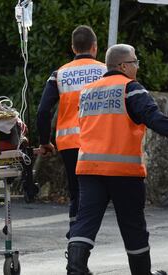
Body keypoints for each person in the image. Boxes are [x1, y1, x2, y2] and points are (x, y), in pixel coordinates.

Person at [66, 43, 167, 275]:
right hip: (123, 171)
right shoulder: (130, 88)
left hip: (89, 168)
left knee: (85, 222)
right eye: (135, 62)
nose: (137, 67)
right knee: (133, 226)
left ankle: (75, 268)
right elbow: (154, 118)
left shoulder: (88, 91)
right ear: (123, 65)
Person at [36, 25, 106, 238]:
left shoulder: (60, 74)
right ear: (94, 47)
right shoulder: (105, 71)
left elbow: (43, 111)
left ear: (73, 47)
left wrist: (44, 141)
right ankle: (81, 236)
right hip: (98, 141)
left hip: (69, 143)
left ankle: (75, 234)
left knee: (76, 191)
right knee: (96, 192)